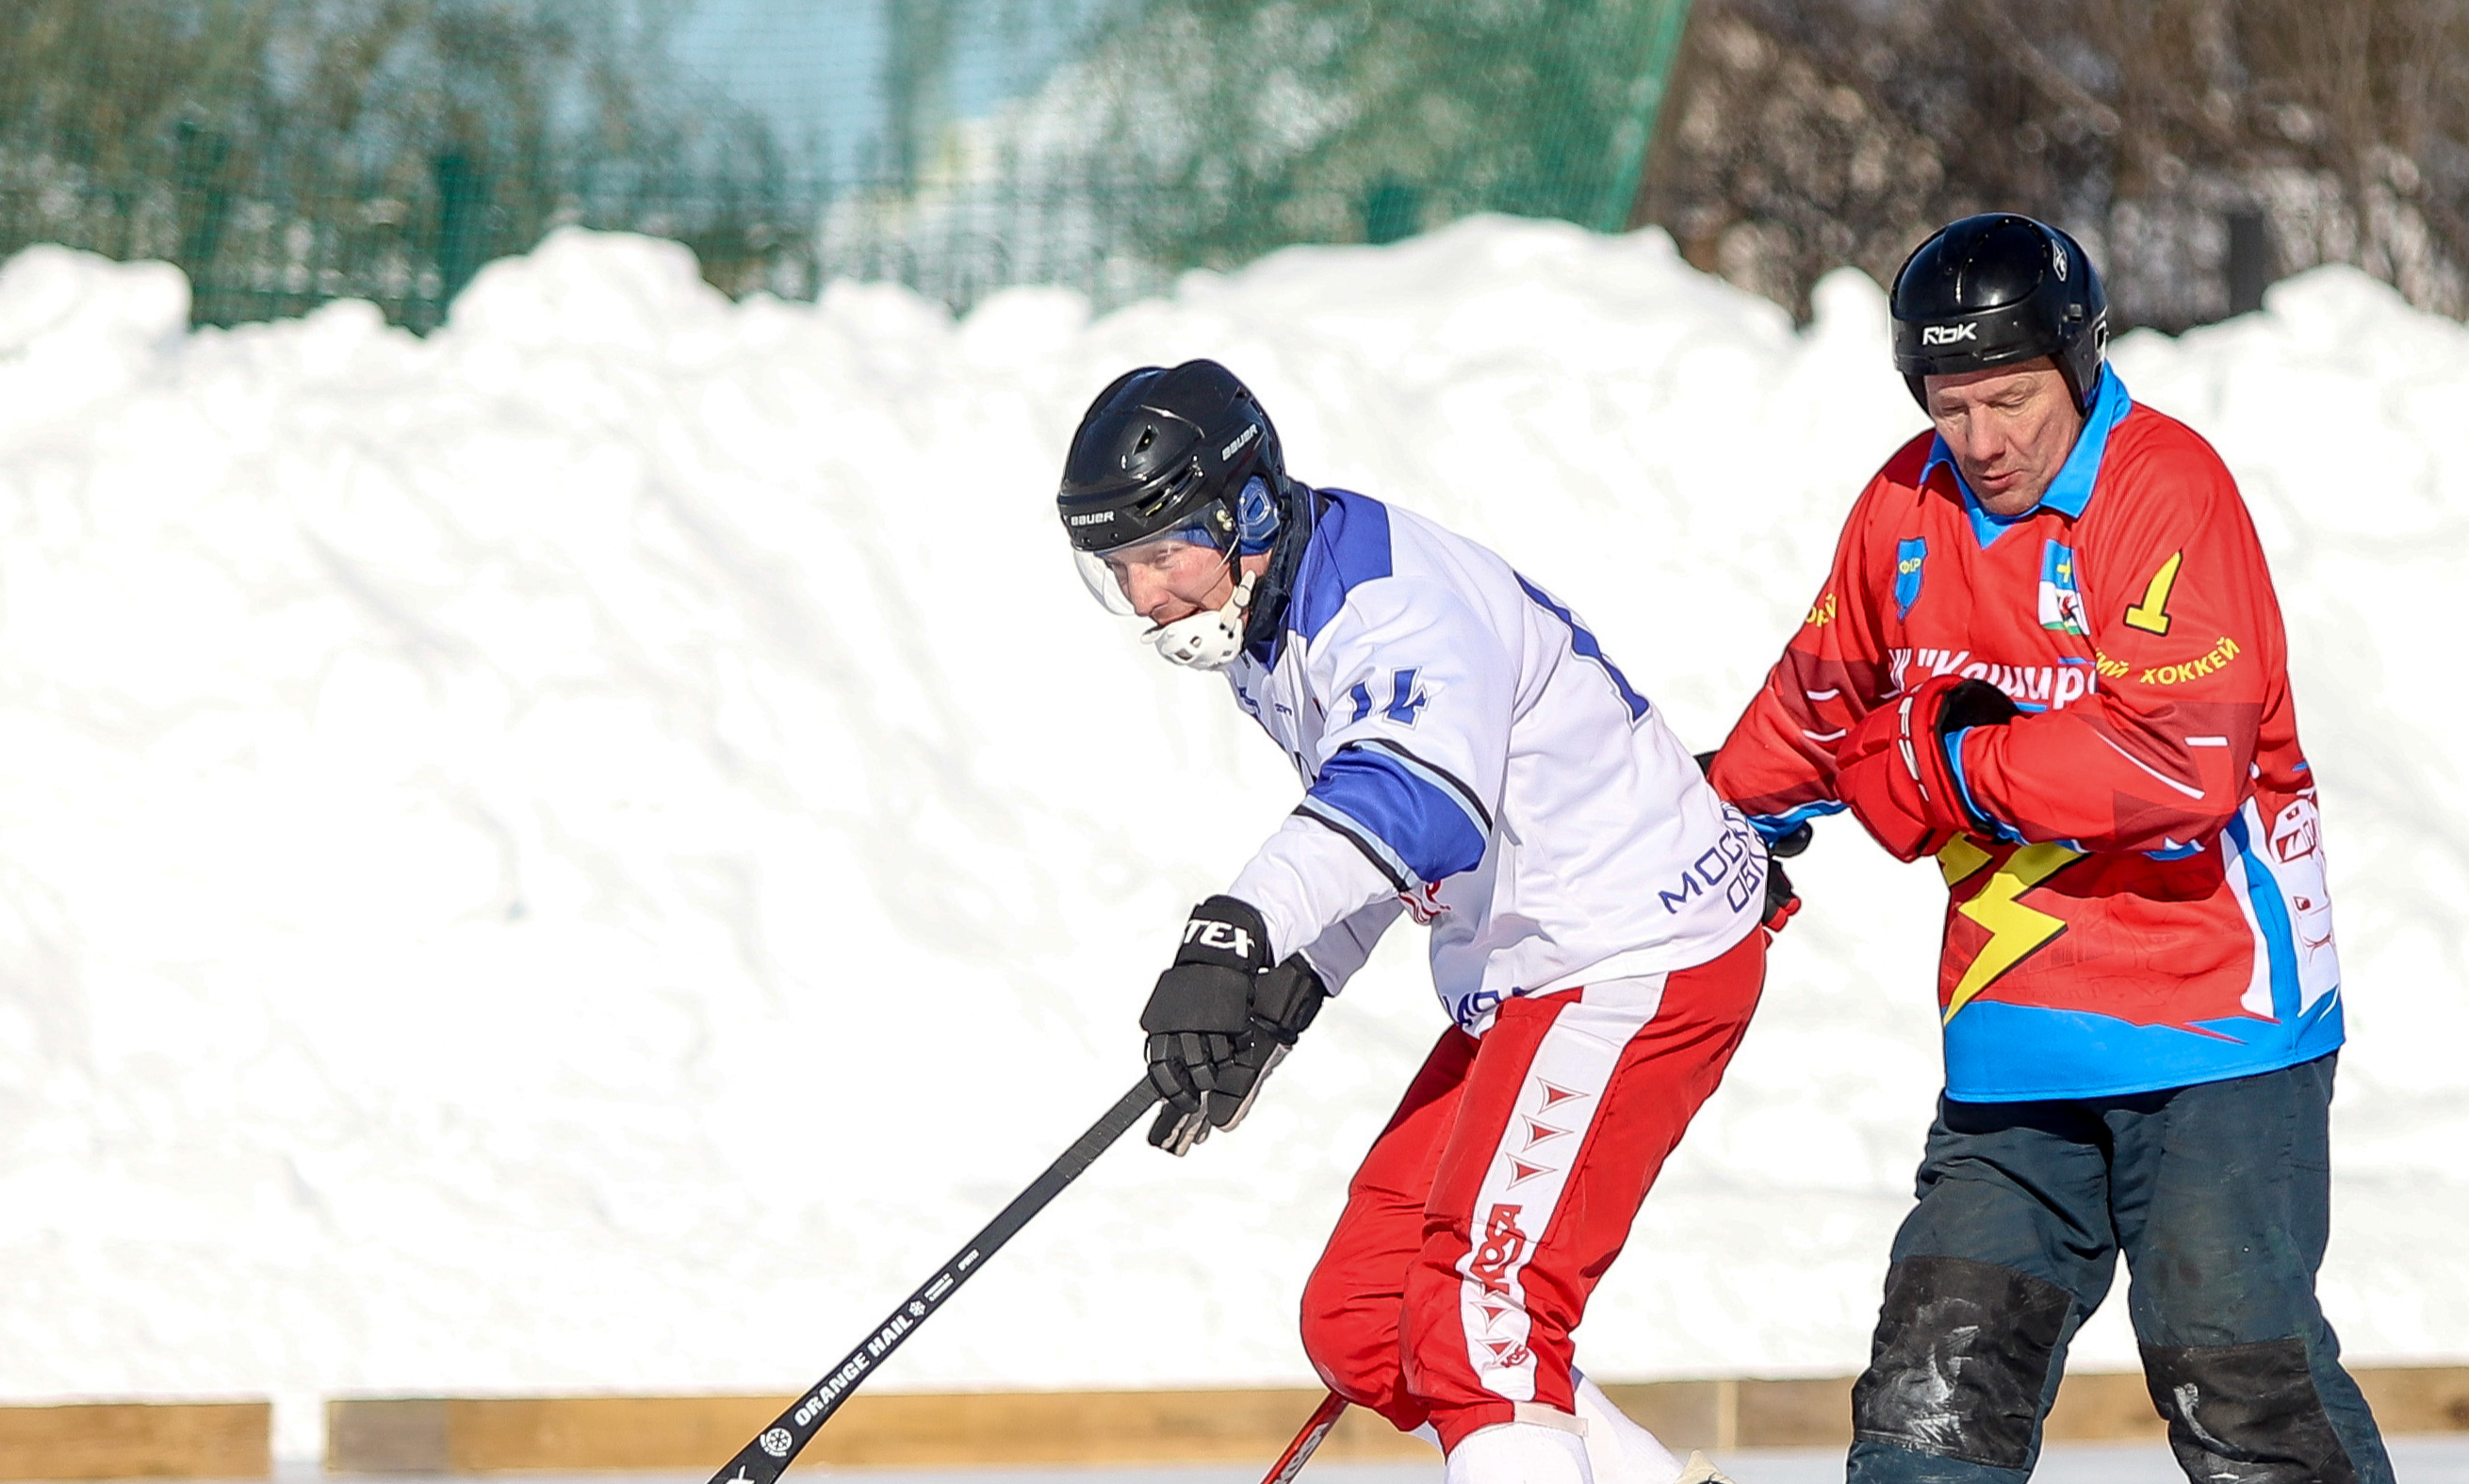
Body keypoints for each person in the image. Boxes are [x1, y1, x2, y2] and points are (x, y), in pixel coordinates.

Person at [1708, 213, 2393, 1484]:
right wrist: (1698, 827)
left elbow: (2179, 762)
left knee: (2237, 1379)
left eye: (2013, 399)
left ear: (2078, 366)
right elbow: (1819, 701)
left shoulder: (2164, 487)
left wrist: (1946, 763)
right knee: (1927, 1399)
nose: (1985, 440)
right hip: (2017, 1041)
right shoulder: (1905, 505)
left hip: (2219, 1020)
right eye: (1950, 403)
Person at [1057, 360, 1790, 1484]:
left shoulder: (1391, 607)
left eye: (1161, 555)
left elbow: (1419, 801)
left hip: (1629, 956)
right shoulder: (1268, 620)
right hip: (1538, 969)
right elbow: (1377, 830)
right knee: (1369, 1319)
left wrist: (1237, 932)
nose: (1146, 596)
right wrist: (1286, 992)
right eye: (1119, 570)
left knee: (1476, 1322)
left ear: (1246, 510)